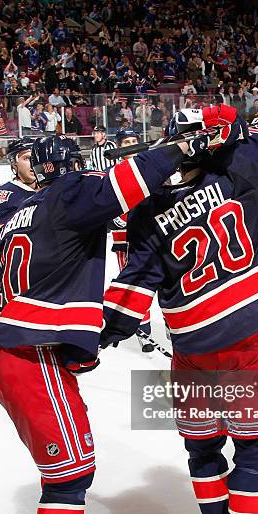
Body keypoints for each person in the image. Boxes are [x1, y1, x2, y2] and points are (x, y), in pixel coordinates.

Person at [100, 9, 258, 514]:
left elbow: (129, 292)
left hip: (190, 345)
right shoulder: (239, 171)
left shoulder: (147, 209)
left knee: (204, 448)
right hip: (246, 335)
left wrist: (94, 336)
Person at [0, 133, 202, 514]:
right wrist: (182, 147)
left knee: (62, 465)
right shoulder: (64, 195)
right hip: (32, 354)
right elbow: (125, 182)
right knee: (72, 472)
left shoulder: (30, 205)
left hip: (24, 348)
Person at [109, 129, 154, 353]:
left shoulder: (152, 167)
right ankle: (144, 331)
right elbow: (109, 211)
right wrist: (117, 220)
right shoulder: (113, 175)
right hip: (125, 241)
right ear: (120, 147)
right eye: (127, 142)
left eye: (135, 140)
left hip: (155, 235)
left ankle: (169, 324)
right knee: (137, 286)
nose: (132, 144)